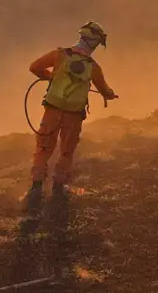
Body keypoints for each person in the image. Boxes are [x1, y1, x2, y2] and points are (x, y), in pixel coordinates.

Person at [26, 20, 117, 207]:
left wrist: (50, 76)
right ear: (94, 43)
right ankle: (59, 187)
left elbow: (34, 67)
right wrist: (110, 95)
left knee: (43, 148)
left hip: (52, 109)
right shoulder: (93, 67)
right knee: (67, 150)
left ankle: (36, 187)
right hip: (74, 115)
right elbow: (104, 90)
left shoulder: (59, 55)